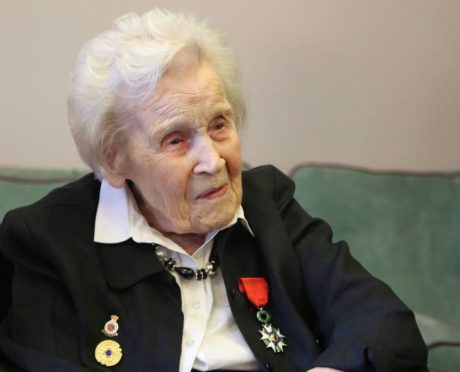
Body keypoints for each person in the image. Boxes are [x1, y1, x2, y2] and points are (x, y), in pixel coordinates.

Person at [0, 8, 428, 372]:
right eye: (176, 140)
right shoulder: (47, 241)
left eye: (219, 124)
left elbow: (383, 323)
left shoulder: (268, 206)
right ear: (115, 160)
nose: (214, 161)